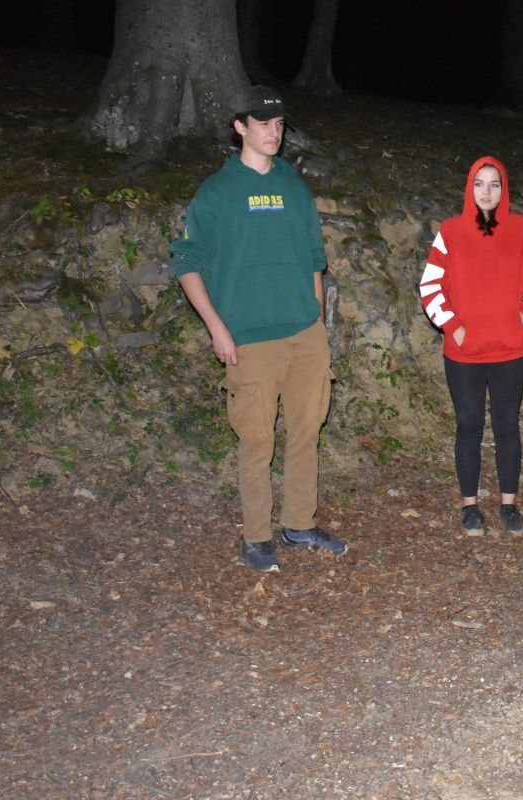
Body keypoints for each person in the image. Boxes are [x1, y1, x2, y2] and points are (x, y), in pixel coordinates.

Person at [170, 85, 346, 572]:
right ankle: (257, 536)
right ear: (240, 127)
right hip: (249, 337)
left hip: (304, 335)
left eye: (279, 124)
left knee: (307, 432)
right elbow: (187, 263)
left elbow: (314, 258)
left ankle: (299, 525)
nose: (274, 132)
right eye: (263, 123)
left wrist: (315, 317)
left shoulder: (294, 188)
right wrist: (217, 329)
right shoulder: (217, 193)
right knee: (256, 440)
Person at [419, 156, 523, 535]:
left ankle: (509, 505)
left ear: (503, 188)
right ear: (469, 188)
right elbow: (430, 286)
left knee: (507, 426)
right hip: (464, 353)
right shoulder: (451, 231)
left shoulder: (522, 229)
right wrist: (453, 326)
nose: (487, 191)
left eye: (494, 183)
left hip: (510, 350)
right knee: (469, 425)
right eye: (479, 183)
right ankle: (470, 506)